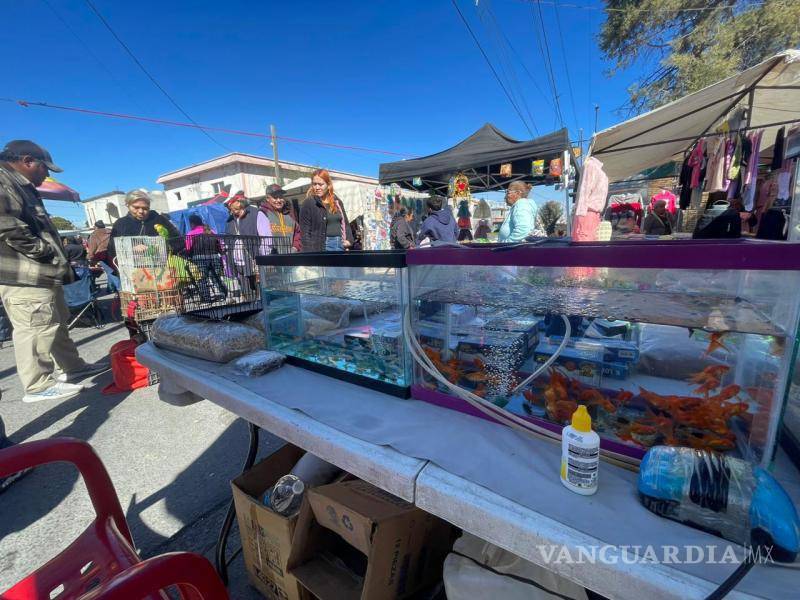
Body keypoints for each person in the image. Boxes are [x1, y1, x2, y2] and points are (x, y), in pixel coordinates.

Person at [0, 140, 108, 403]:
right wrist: (44, 251)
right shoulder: (4, 181)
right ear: (27, 161)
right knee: (34, 326)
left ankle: (72, 368)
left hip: (42, 274)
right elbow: (7, 225)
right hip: (25, 275)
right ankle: (38, 384)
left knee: (55, 322)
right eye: (44, 168)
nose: (46, 174)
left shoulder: (21, 185)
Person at [107, 189, 182, 266]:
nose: (141, 211)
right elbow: (112, 250)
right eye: (136, 207)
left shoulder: (160, 220)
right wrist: (131, 249)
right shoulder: (120, 224)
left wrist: (160, 247)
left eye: (145, 208)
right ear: (127, 205)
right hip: (134, 272)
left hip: (162, 268)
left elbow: (179, 241)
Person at [299, 169, 354, 252]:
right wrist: (309, 255)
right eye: (314, 184)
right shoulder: (308, 203)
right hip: (322, 246)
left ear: (328, 185)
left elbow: (345, 224)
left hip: (341, 245)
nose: (317, 187)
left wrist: (349, 240)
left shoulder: (337, 202)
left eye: (320, 184)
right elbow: (305, 232)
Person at [225, 197, 271, 293]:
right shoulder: (230, 220)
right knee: (247, 293)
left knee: (261, 291)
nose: (237, 212)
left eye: (238, 209)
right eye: (233, 210)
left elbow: (266, 238)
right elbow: (229, 242)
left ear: (244, 206)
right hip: (238, 263)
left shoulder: (257, 214)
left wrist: (263, 258)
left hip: (255, 260)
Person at [186, 214, 226, 302]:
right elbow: (219, 245)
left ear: (192, 223)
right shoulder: (211, 231)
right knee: (216, 277)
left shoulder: (190, 234)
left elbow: (188, 249)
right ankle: (224, 293)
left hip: (199, 259)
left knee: (201, 279)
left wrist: (188, 256)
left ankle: (206, 298)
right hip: (214, 257)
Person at [260, 184, 301, 252]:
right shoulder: (263, 213)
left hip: (291, 256)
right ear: (267, 198)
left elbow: (297, 232)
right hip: (273, 258)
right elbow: (265, 240)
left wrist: (295, 248)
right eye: (275, 197)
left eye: (281, 197)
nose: (279, 200)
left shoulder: (289, 212)